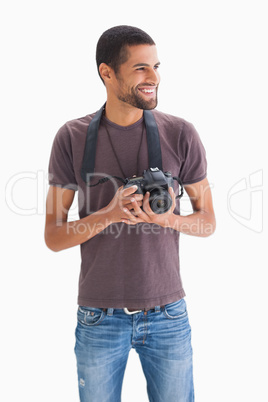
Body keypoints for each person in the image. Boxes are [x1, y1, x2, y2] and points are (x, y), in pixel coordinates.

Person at [45, 25, 216, 402]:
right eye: (141, 68)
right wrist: (109, 213)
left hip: (168, 314)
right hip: (98, 317)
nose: (154, 77)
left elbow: (208, 222)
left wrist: (165, 218)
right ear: (107, 73)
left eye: (156, 66)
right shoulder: (72, 138)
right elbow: (53, 237)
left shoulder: (180, 133)